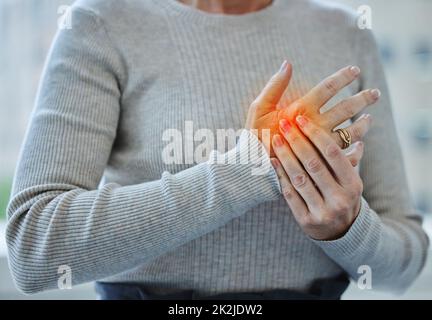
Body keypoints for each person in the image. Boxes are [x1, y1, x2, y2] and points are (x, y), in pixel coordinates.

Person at [6, 0, 428, 299]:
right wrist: (245, 171)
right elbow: (33, 248)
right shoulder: (100, 24)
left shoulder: (343, 32)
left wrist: (347, 228)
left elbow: (403, 267)